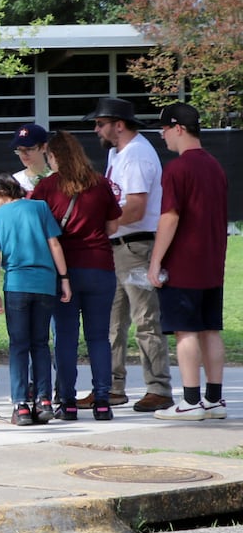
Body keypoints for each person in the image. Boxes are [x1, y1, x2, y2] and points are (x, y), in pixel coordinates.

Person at [82, 97, 172, 412]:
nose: (96, 129)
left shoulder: (136, 155)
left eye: (100, 123)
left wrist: (98, 224)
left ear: (118, 125)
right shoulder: (117, 154)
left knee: (145, 319)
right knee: (111, 322)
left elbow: (135, 208)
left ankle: (159, 388)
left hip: (136, 245)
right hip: (118, 246)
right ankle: (111, 387)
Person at [31, 130, 122, 421]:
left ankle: (67, 402)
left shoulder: (47, 187)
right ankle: (103, 401)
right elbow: (112, 228)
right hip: (100, 266)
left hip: (64, 271)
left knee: (66, 339)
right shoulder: (101, 184)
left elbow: (39, 228)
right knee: (99, 338)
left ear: (54, 156)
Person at [149, 104, 230, 422]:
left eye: (164, 130)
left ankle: (191, 401)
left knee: (186, 331)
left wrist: (156, 261)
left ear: (177, 128)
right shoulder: (215, 166)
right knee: (210, 329)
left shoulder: (178, 169)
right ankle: (214, 399)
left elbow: (170, 216)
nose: (163, 136)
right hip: (212, 260)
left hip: (184, 261)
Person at [0, 170, 72, 426]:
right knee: (41, 343)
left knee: (19, 346)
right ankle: (44, 400)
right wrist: (64, 278)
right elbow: (55, 244)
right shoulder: (39, 207)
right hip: (45, 284)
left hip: (17, 284)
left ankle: (21, 404)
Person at [9, 123, 52, 194]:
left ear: (44, 147)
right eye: (19, 150)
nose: (23, 154)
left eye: (28, 149)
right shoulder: (15, 180)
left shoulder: (56, 179)